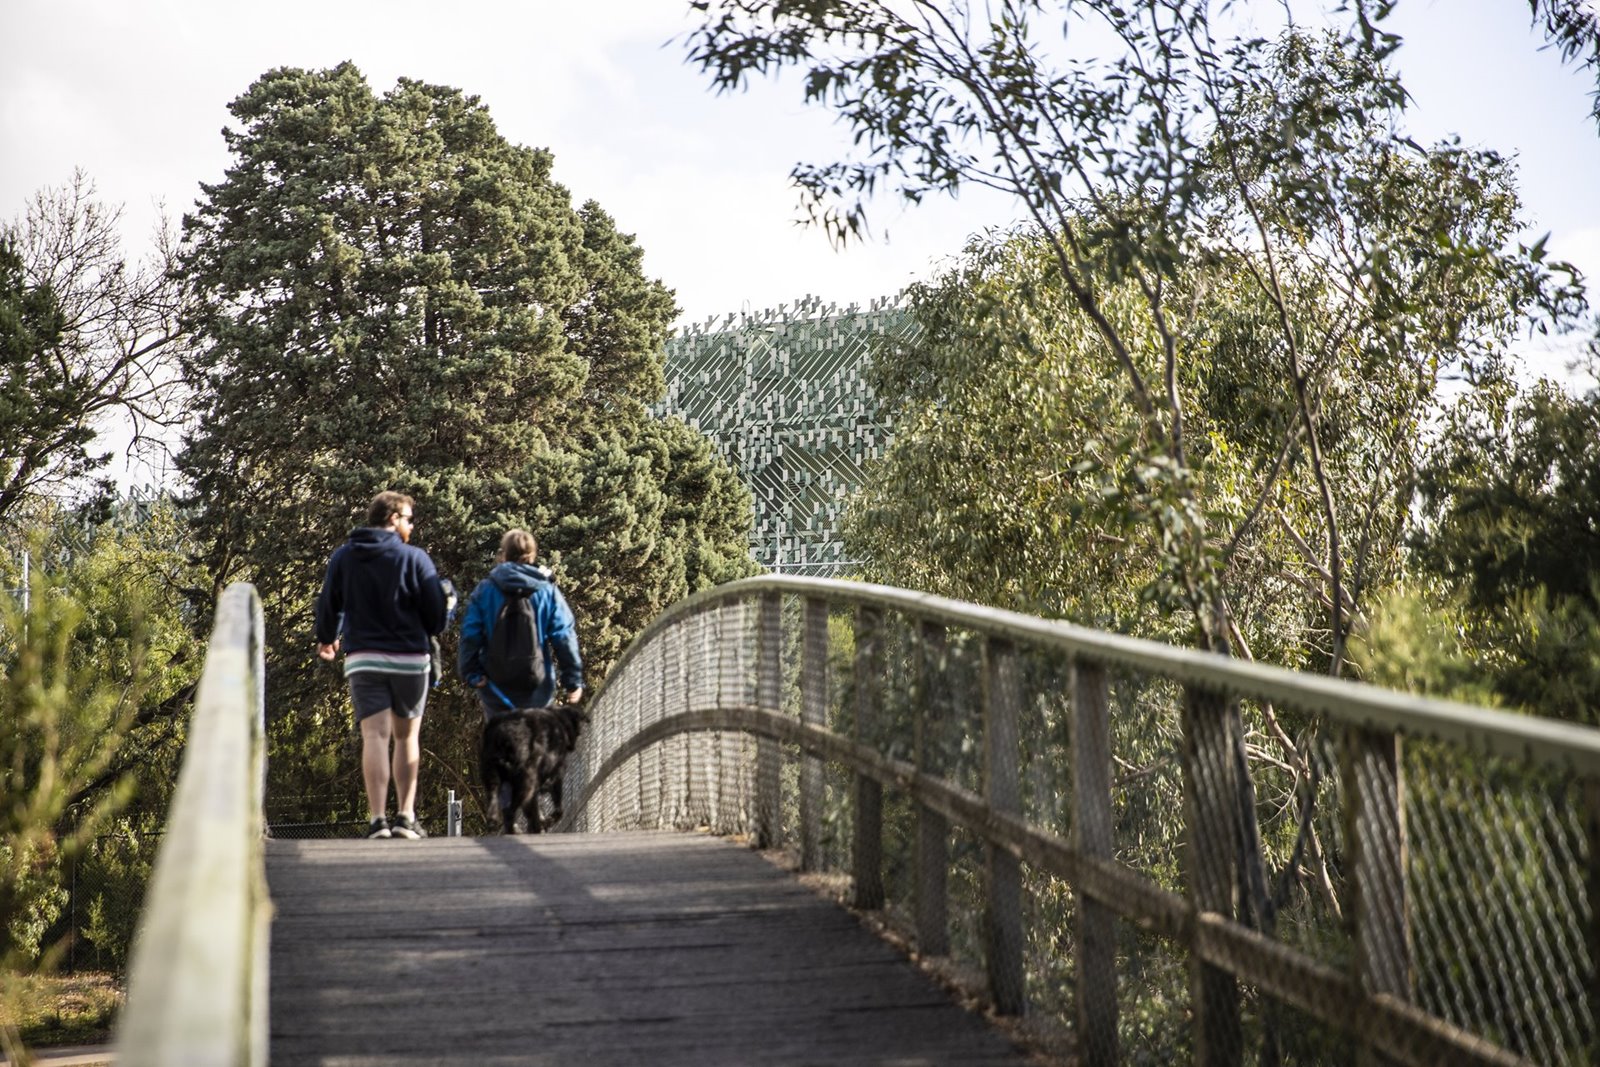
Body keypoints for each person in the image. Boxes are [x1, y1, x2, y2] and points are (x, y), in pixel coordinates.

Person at [314, 491, 450, 840]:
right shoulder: (415, 559)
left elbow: (329, 603)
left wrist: (327, 637)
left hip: (364, 658)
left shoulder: (344, 557)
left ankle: (377, 821)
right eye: (408, 519)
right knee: (406, 736)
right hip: (410, 659)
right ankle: (405, 817)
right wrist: (446, 602)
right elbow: (435, 620)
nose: (411, 526)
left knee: (374, 735)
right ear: (393, 518)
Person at [458, 529, 584, 719]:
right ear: (532, 556)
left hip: (496, 688)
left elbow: (470, 633)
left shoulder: (486, 590)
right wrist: (573, 681)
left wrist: (471, 674)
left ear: (503, 554)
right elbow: (564, 636)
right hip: (538, 685)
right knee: (537, 734)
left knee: (502, 735)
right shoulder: (546, 591)